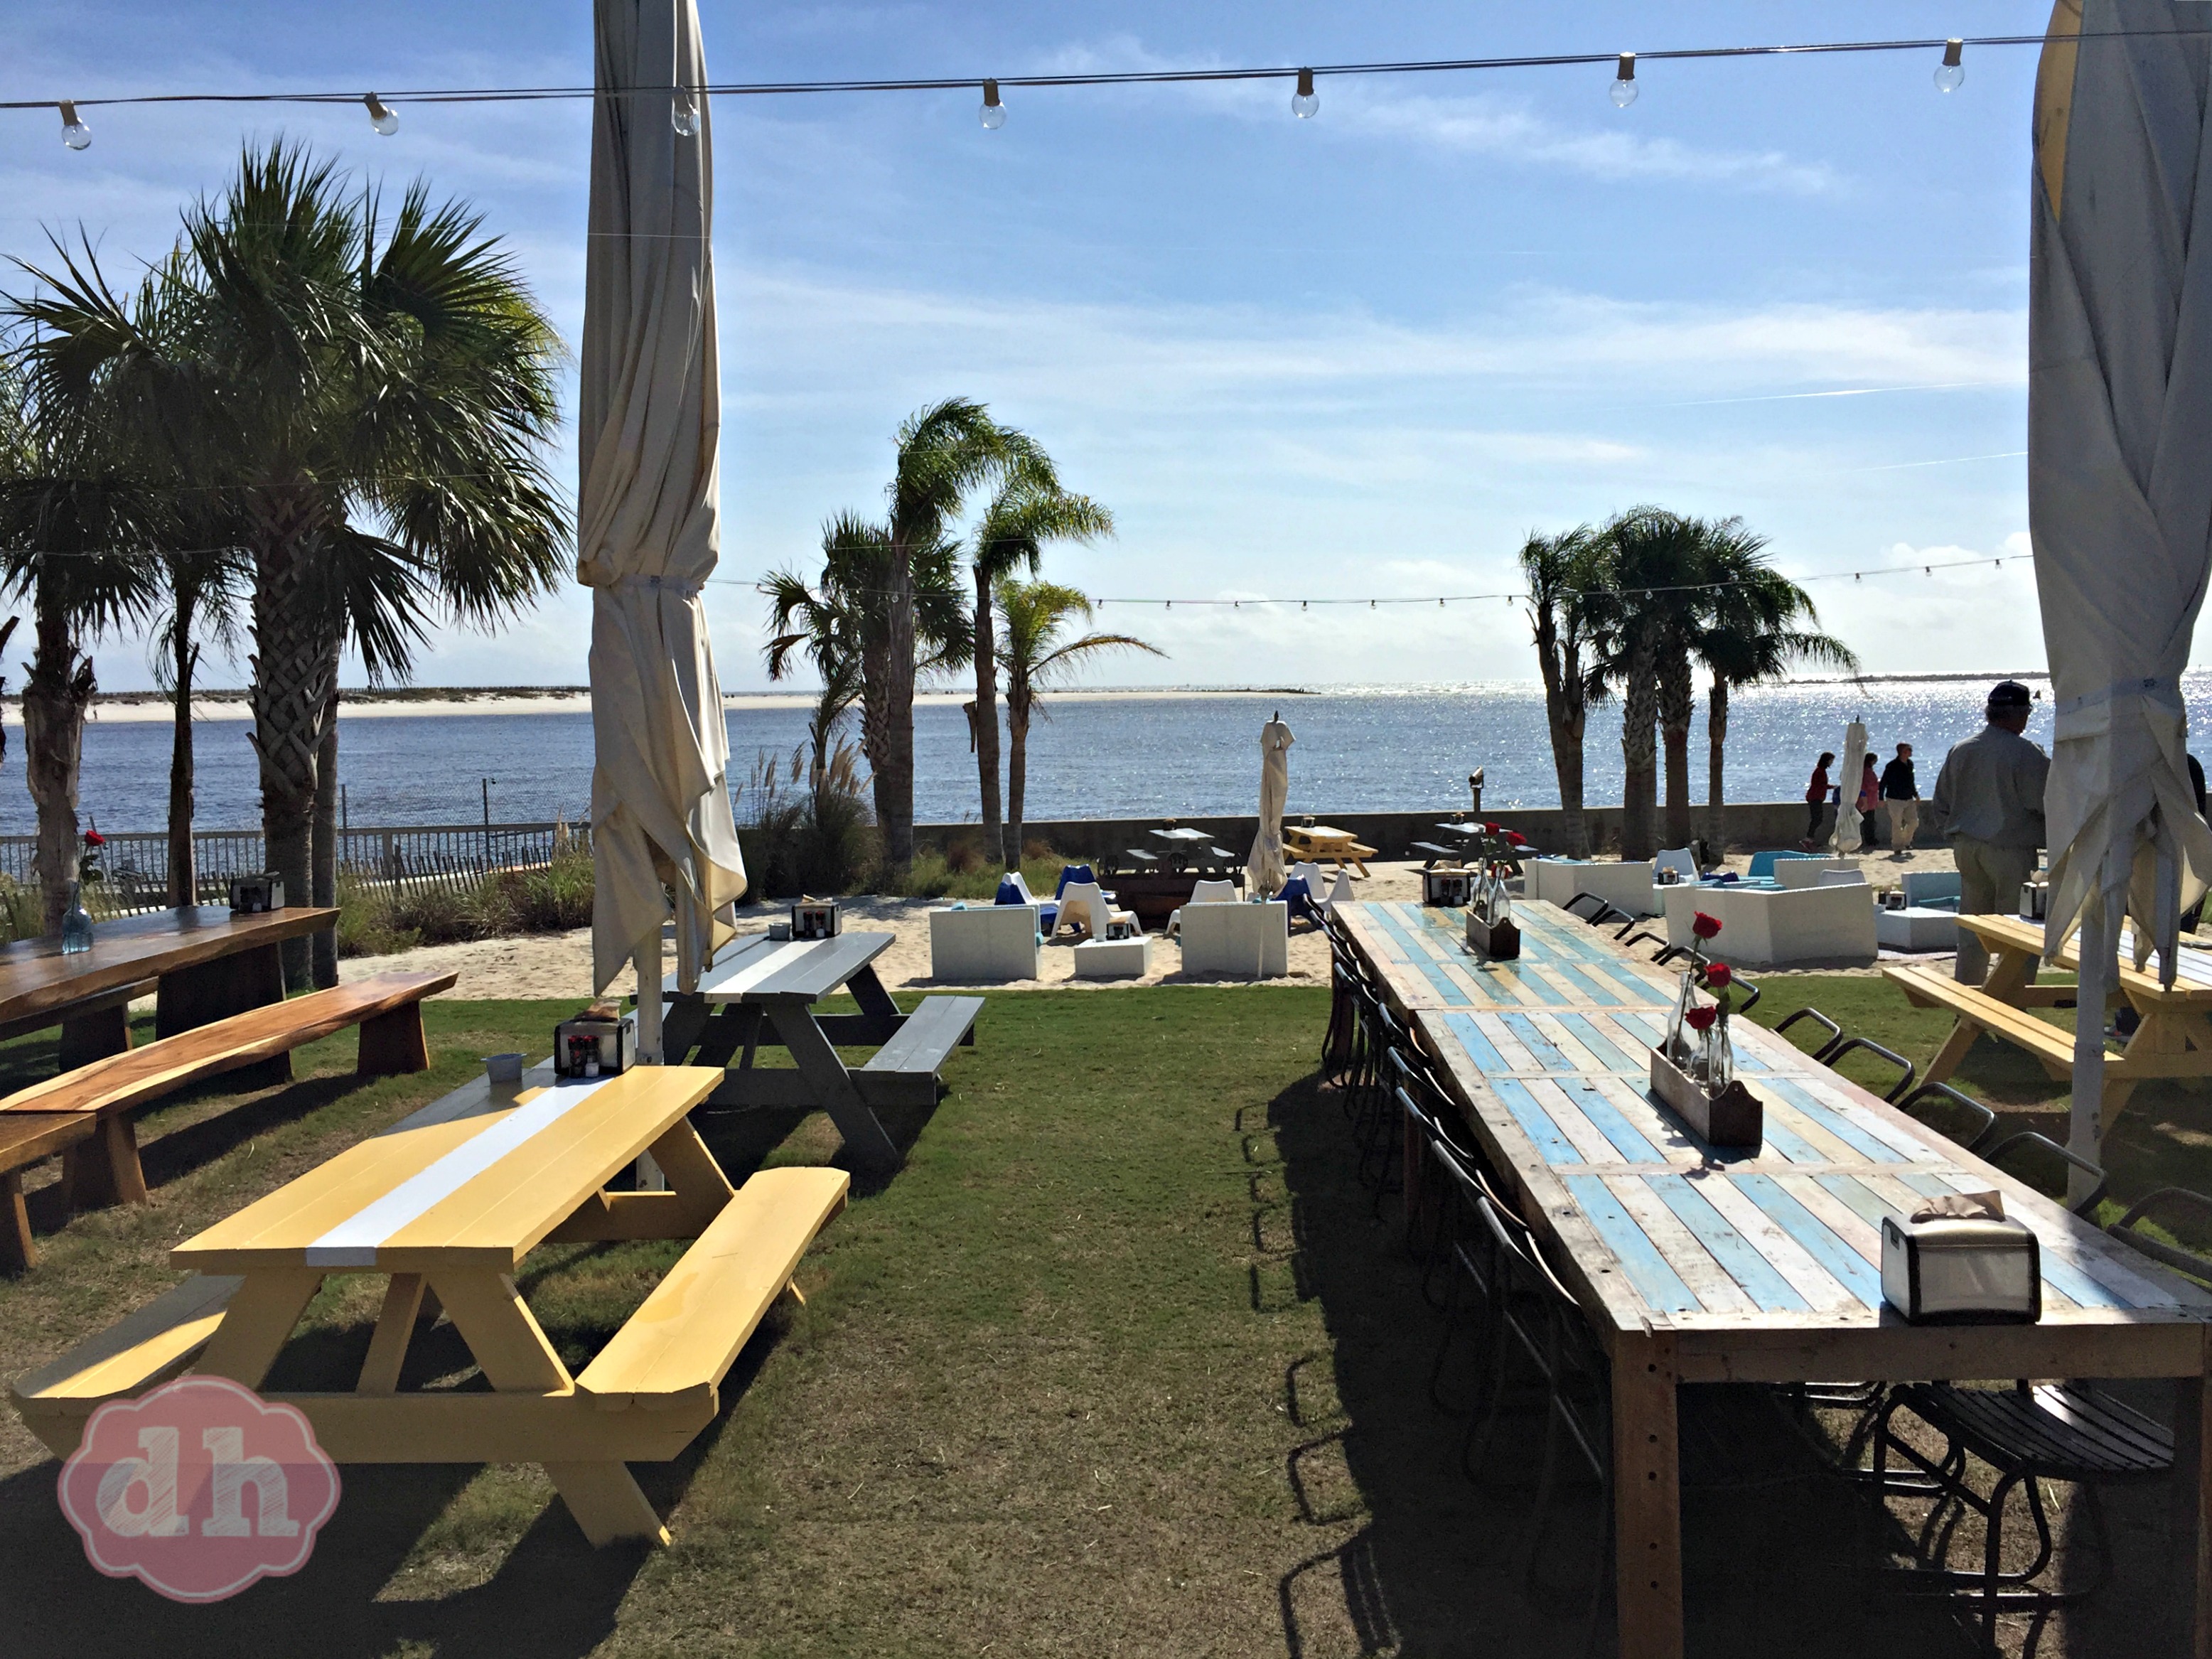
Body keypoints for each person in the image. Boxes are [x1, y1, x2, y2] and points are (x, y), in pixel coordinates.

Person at [1932, 681, 2049, 984]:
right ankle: (2012, 999)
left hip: (1966, 847)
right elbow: (2044, 801)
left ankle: (1967, 994)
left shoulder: (1961, 750)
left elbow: (1941, 803)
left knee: (1974, 929)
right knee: (2018, 930)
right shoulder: (2026, 753)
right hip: (2010, 848)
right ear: (2021, 713)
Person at [1879, 742, 1920, 859]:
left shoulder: (1910, 764)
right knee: (1897, 824)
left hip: (1908, 798)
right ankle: (1897, 847)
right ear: (1903, 752)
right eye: (1909, 750)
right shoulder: (1892, 766)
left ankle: (1906, 842)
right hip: (1894, 799)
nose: (1911, 752)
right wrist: (1881, 798)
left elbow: (1911, 781)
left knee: (1914, 822)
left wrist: (1916, 794)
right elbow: (1883, 783)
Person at [1803, 751, 1835, 849]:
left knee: (1817, 819)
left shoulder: (1820, 771)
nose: (1832, 763)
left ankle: (1810, 839)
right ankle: (1808, 839)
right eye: (1831, 761)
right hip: (1815, 798)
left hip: (1816, 798)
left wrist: (1831, 787)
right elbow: (1820, 785)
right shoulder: (1820, 771)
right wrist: (1831, 787)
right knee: (1817, 819)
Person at [1855, 753, 1881, 847]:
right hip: (1868, 800)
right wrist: (1879, 784)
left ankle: (1868, 839)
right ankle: (1870, 840)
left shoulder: (1861, 771)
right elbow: (1871, 786)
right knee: (1869, 822)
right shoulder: (1868, 772)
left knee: (1867, 821)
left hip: (1862, 800)